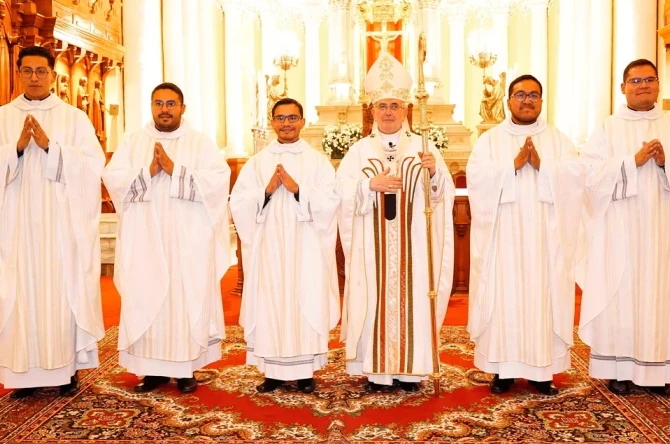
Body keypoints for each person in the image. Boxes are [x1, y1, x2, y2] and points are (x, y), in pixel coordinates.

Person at [336, 51, 455, 392]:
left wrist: (434, 173)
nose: (388, 112)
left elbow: (440, 197)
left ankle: (411, 371)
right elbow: (340, 192)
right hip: (372, 250)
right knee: (373, 299)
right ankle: (376, 372)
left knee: (413, 300)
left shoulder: (424, 147)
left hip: (413, 247)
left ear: (406, 110)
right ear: (372, 111)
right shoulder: (358, 151)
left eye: (395, 106)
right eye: (382, 106)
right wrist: (367, 186)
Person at [102, 82, 230, 394]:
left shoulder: (200, 143)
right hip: (144, 240)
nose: (164, 109)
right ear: (151, 107)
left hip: (187, 241)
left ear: (182, 107)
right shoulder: (134, 142)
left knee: (185, 300)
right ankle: (152, 371)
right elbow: (113, 179)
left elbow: (218, 182)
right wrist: (148, 171)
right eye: (158, 103)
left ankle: (185, 370)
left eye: (171, 103)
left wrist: (176, 171)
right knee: (146, 297)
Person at [467, 74, 585, 396]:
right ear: (508, 101)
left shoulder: (559, 141)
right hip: (503, 239)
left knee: (542, 298)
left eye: (533, 95)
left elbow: (576, 179)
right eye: (520, 95)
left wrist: (544, 167)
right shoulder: (490, 141)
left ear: (542, 101)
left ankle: (542, 372)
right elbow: (476, 179)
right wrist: (512, 166)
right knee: (504, 298)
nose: (527, 100)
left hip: (545, 241)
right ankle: (502, 370)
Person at [0, 45, 105, 398]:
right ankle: (23, 375)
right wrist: (14, 149)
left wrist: (51, 148)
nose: (34, 77)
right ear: (18, 73)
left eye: (40, 71)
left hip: (60, 228)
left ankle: (65, 370)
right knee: (20, 295)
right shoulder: (3, 117)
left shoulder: (74, 118)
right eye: (27, 71)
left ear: (52, 75)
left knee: (60, 294)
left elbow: (93, 166)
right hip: (15, 228)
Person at [230, 97, 340, 394]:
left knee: (306, 298)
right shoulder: (257, 162)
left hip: (306, 247)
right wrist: (266, 190)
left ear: (302, 121)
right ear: (272, 122)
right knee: (271, 302)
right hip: (269, 249)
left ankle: (305, 372)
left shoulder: (317, 161)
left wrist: (297, 189)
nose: (287, 123)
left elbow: (332, 200)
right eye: (280, 118)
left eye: (292, 118)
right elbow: (238, 202)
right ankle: (273, 372)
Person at [577, 59, 670, 396]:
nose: (643, 85)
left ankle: (661, 370)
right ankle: (618, 368)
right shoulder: (607, 128)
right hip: (619, 230)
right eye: (635, 80)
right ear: (623, 87)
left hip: (662, 230)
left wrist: (664, 162)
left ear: (658, 84)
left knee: (661, 295)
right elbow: (589, 175)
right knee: (621, 293)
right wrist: (633, 162)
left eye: (649, 79)